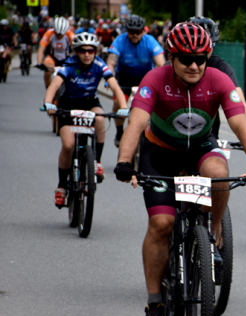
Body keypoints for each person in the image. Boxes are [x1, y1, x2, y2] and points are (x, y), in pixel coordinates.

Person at [113, 22, 246, 316]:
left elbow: (240, 125)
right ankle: (155, 301)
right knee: (161, 225)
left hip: (200, 147)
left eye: (201, 58)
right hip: (160, 154)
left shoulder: (219, 80)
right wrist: (123, 161)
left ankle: (212, 235)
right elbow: (136, 122)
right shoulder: (154, 79)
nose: (195, 65)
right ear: (171, 57)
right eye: (186, 58)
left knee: (220, 174)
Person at [43, 33, 128, 206]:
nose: (87, 54)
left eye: (90, 50)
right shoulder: (69, 64)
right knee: (68, 145)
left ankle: (97, 161)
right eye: (82, 50)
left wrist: (124, 107)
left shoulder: (99, 64)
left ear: (95, 51)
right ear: (75, 51)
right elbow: (55, 84)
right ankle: (61, 187)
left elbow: (114, 86)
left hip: (89, 103)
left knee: (100, 119)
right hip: (68, 106)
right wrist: (48, 103)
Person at [188, 16, 246, 151]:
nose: (204, 51)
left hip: (207, 132)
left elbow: (239, 103)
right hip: (172, 133)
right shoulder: (175, 65)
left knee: (216, 169)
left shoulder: (220, 66)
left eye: (210, 46)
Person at [106, 14, 165, 147]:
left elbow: (161, 64)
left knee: (154, 106)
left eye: (137, 32)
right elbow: (111, 63)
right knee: (118, 104)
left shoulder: (150, 41)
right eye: (131, 31)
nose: (134, 35)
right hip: (124, 79)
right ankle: (119, 132)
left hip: (145, 79)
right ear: (126, 30)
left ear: (143, 31)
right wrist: (108, 78)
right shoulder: (120, 41)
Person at [37, 17, 75, 88]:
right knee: (48, 70)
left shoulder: (70, 34)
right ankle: (49, 90)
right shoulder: (49, 33)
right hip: (52, 58)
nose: (59, 35)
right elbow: (41, 48)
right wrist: (39, 62)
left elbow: (76, 49)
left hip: (65, 58)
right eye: (57, 33)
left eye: (62, 34)